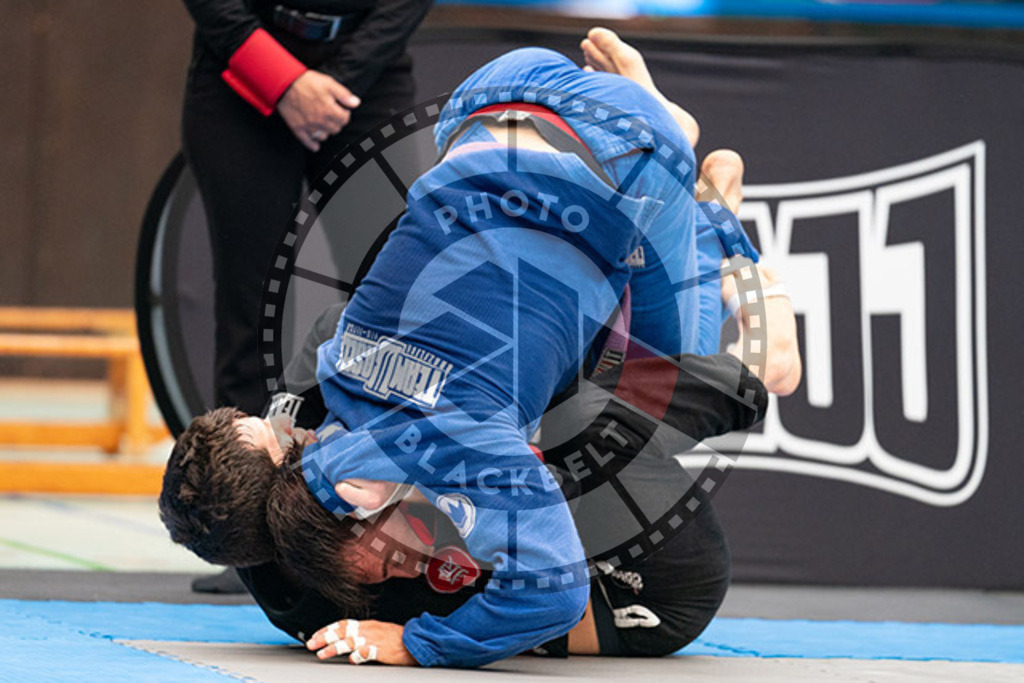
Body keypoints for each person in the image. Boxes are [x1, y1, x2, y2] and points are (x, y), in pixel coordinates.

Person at [160, 28, 799, 666]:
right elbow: (319, 428)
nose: (399, 564)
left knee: (713, 363)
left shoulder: (448, 446)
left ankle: (738, 258)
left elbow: (553, 594)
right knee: (614, 344)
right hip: (485, 102)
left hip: (624, 156)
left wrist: (417, 643)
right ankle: (675, 157)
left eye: (380, 565)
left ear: (356, 499)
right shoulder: (335, 372)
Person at [181, 0, 433, 592]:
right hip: (242, 66)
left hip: (367, 76)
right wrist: (284, 80)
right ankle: (249, 544)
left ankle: (390, 524)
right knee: (250, 304)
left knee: (395, 305)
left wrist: (334, 83)